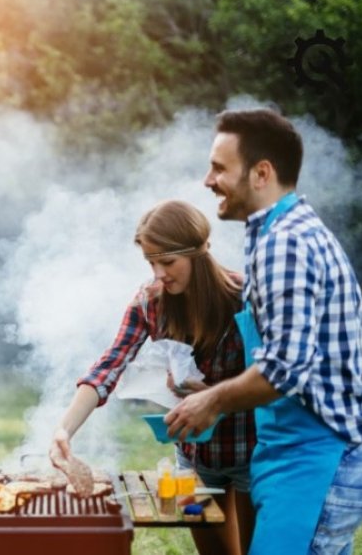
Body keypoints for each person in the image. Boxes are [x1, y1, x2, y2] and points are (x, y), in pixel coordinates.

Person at [166, 108, 362, 554]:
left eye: (219, 168)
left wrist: (213, 400)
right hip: (299, 456)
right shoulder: (277, 233)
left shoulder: (285, 242)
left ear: (261, 172)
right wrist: (216, 388)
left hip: (319, 458)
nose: (208, 180)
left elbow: (285, 368)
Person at [50, 200, 256, 555]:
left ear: (199, 252)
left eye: (167, 262)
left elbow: (271, 379)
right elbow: (109, 366)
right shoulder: (150, 300)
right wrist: (63, 430)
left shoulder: (245, 297)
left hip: (250, 452)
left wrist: (214, 395)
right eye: (150, 262)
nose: (158, 273)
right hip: (193, 461)